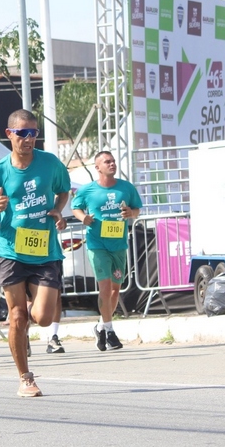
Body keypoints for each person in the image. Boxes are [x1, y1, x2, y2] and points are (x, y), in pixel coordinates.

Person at [0, 109, 70, 397]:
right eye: (23, 133)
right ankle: (25, 377)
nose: (29, 139)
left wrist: (58, 210)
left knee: (41, 317)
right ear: (9, 135)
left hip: (45, 250)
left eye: (33, 133)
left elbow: (63, 190)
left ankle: (27, 318)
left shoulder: (50, 163)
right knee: (17, 316)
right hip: (10, 250)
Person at [72, 150, 143, 352]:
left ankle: (101, 326)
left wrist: (131, 213)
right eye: (107, 162)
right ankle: (110, 332)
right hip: (97, 244)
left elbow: (137, 209)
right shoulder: (87, 190)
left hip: (119, 245)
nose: (112, 164)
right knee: (104, 286)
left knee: (115, 289)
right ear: (97, 167)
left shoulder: (126, 188)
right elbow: (76, 207)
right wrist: (82, 217)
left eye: (113, 161)